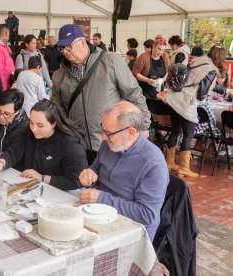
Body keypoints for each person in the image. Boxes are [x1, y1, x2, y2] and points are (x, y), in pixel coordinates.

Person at [51, 24, 151, 152]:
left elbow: (133, 94)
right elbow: (58, 107)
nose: (65, 51)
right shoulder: (59, 75)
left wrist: (144, 126)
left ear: (82, 42)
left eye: (68, 46)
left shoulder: (110, 60)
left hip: (112, 142)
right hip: (78, 145)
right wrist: (69, 130)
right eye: (62, 47)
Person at [78, 101, 168, 240]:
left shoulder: (152, 164)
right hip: (97, 212)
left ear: (131, 132)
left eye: (109, 133)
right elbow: (96, 166)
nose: (103, 137)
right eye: (103, 129)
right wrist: (89, 173)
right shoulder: (110, 143)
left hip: (131, 228)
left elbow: (147, 215)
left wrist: (101, 198)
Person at [0, 99, 87, 191]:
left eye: (40, 125)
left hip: (62, 192)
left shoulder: (71, 146)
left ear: (53, 124)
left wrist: (42, 178)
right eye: (31, 123)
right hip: (33, 187)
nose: (34, 129)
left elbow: (76, 181)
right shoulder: (29, 132)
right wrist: (1, 163)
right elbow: (14, 151)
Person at [157, 46, 219, 177]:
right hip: (185, 102)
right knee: (188, 134)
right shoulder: (212, 69)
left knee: (175, 130)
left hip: (173, 98)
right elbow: (202, 93)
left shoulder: (197, 62)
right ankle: (183, 168)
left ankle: (169, 163)